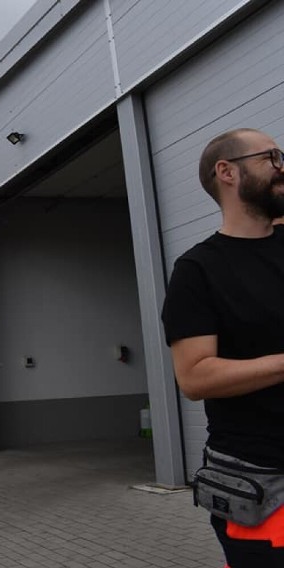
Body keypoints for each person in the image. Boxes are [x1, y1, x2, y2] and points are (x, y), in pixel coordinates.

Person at [161, 128, 284, 567]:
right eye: (272, 156)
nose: (281, 165)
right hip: (261, 482)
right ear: (227, 172)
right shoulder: (198, 271)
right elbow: (194, 377)